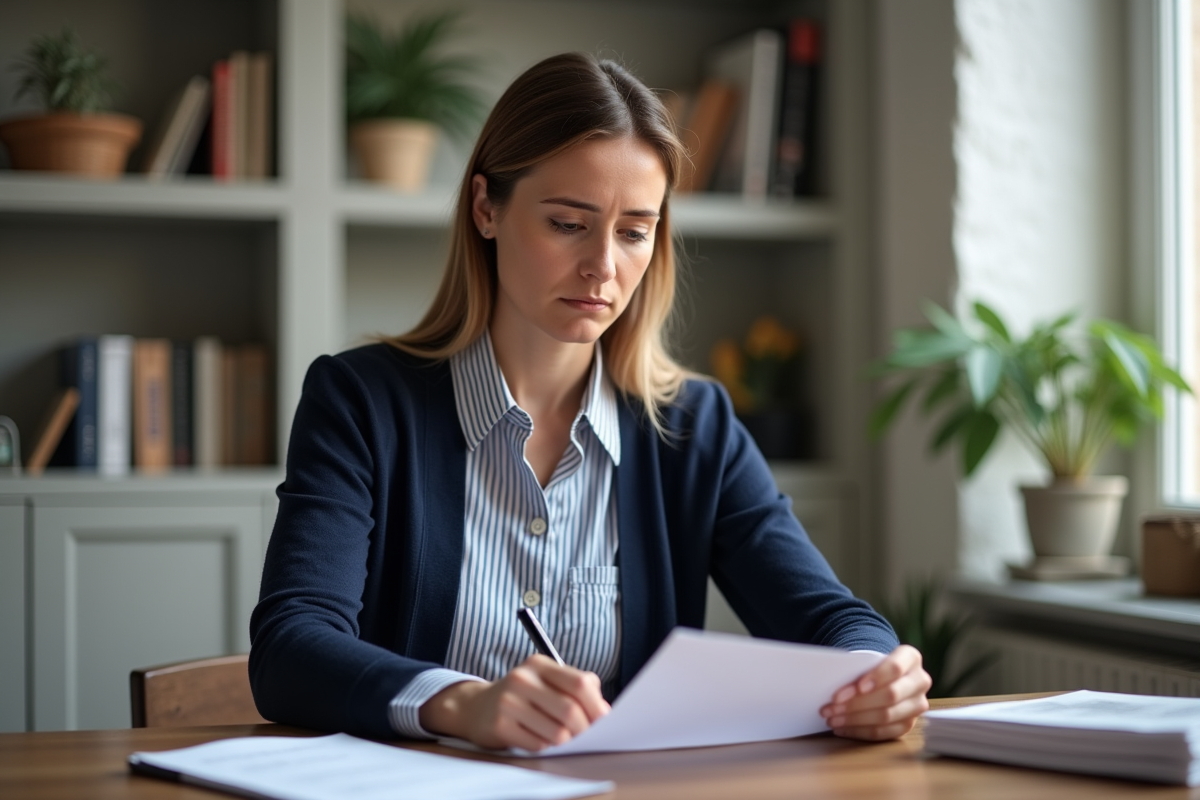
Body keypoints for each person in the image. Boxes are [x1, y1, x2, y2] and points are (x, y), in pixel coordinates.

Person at [249, 52, 931, 752]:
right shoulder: (361, 402)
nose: (603, 266)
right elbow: (291, 647)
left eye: (634, 231)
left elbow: (829, 618)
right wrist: (463, 703)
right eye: (569, 223)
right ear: (487, 208)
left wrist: (871, 675)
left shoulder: (694, 426)